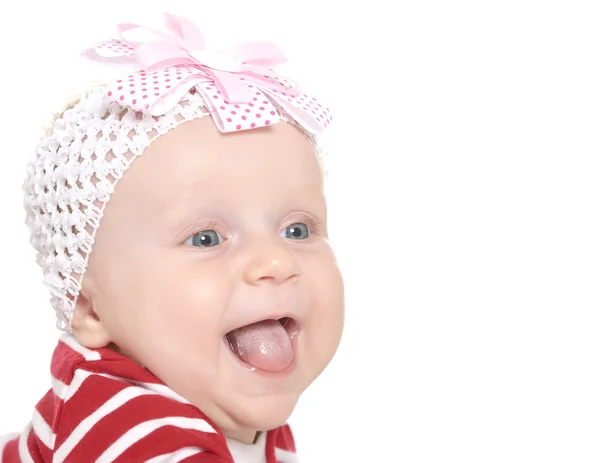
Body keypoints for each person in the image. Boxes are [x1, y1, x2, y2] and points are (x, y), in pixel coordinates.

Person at [0, 12, 344, 463]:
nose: (276, 262)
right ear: (90, 307)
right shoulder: (133, 431)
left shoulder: (220, 407)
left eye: (296, 230)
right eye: (205, 238)